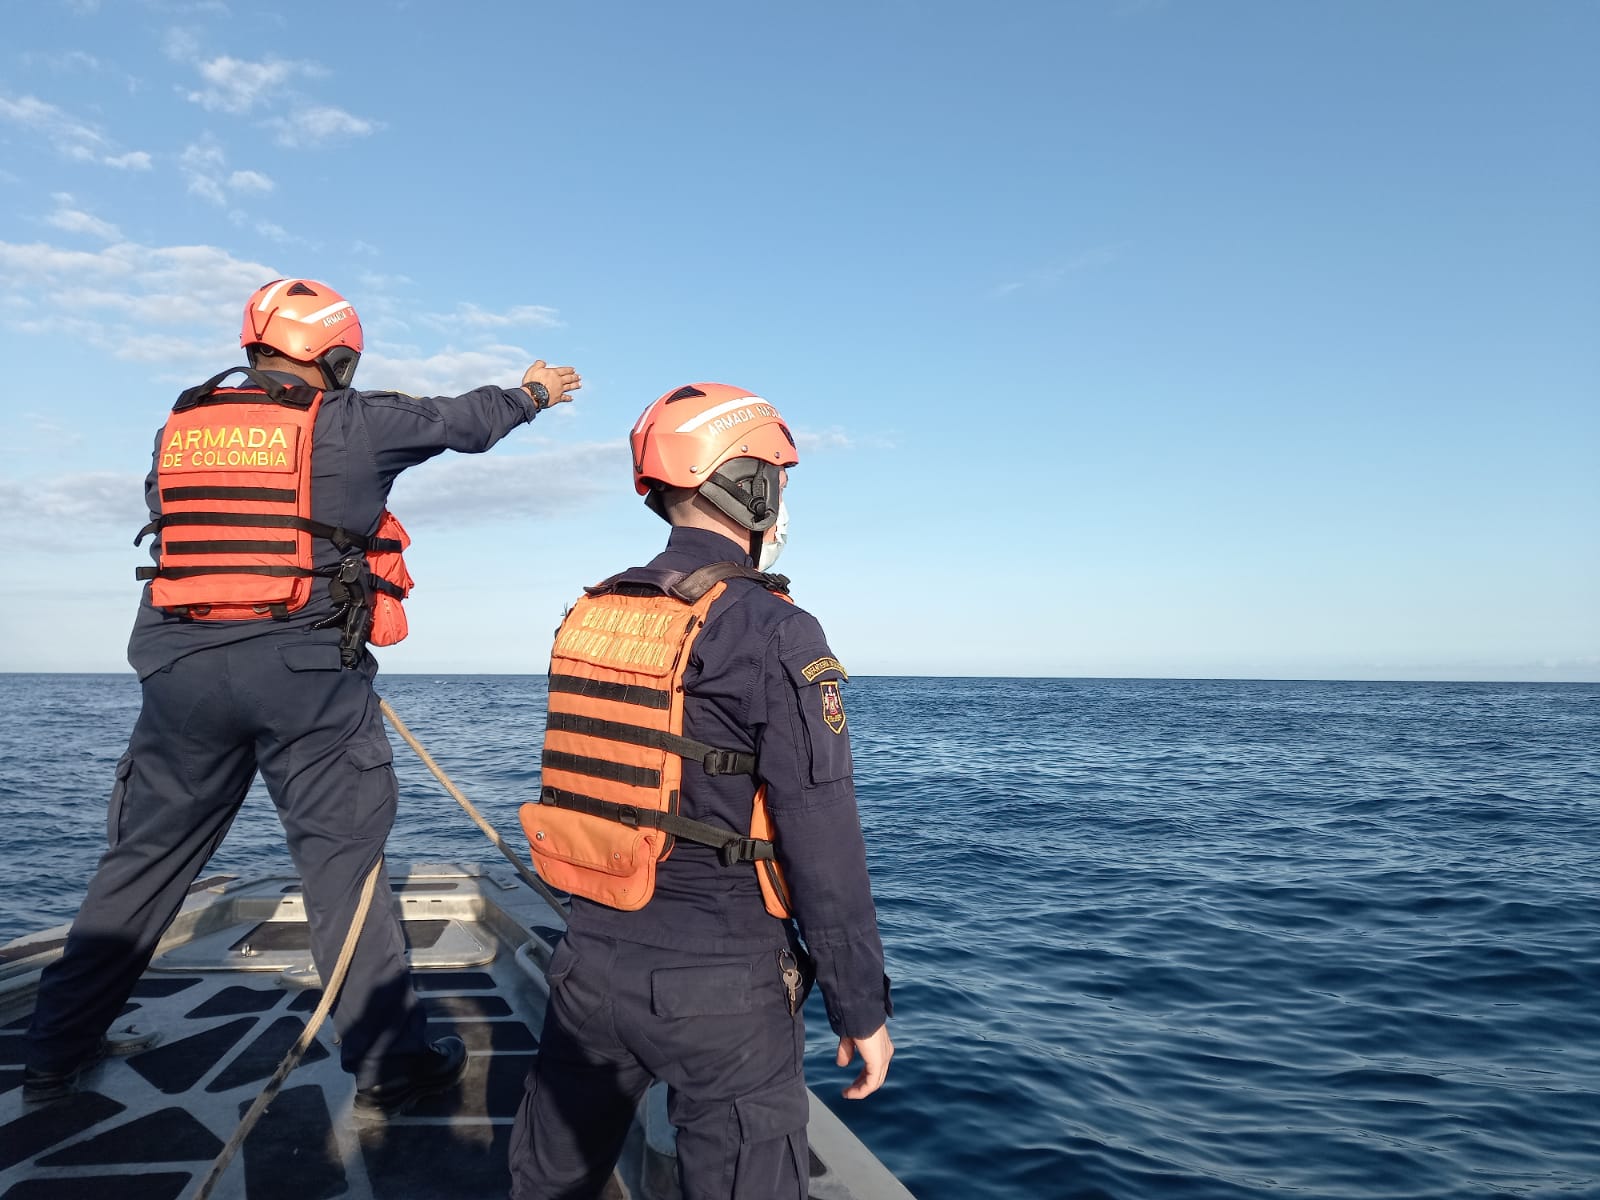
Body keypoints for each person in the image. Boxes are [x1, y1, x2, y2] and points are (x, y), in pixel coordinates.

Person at [23, 278, 582, 1115]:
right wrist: (533, 393)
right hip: (305, 678)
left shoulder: (179, 429)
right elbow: (461, 422)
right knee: (341, 865)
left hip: (178, 677)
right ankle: (390, 1061)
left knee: (140, 864)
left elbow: (167, 520)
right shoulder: (351, 420)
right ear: (339, 355)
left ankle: (54, 1051)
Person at [509, 383, 893, 1199]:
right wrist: (859, 1006)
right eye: (777, 480)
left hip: (587, 963)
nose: (782, 501)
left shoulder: (592, 613)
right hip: (721, 985)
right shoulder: (777, 630)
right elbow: (823, 837)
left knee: (547, 1183)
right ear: (749, 485)